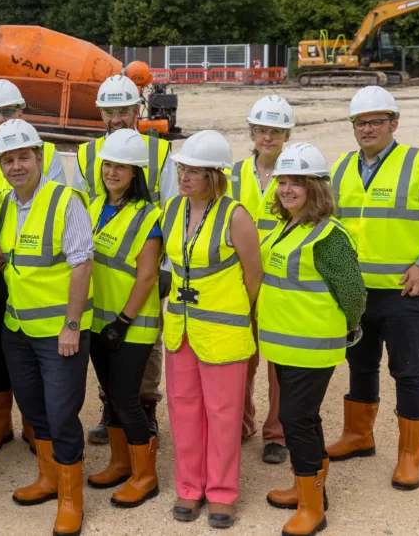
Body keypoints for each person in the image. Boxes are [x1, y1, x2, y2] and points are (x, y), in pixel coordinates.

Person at [326, 86, 419, 490]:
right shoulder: (340, 168)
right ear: (352, 127)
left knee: (408, 372)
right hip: (356, 294)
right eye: (360, 122)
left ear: (393, 123)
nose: (367, 128)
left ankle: (409, 456)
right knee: (360, 365)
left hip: (405, 295)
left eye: (375, 121)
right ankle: (358, 436)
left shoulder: (418, 164)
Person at [0, 119, 94, 536]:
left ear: (39, 157)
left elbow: (81, 264)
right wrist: (4, 259)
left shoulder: (64, 200)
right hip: (17, 329)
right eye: (7, 159)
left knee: (61, 413)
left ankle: (71, 498)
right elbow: (20, 254)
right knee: (33, 410)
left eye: (22, 157)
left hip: (59, 335)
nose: (16, 166)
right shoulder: (4, 204)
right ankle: (50, 478)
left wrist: (71, 326)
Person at [258, 142, 367, 536]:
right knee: (304, 419)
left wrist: (349, 326)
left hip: (311, 346)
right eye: (283, 181)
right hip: (286, 344)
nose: (286, 189)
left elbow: (353, 293)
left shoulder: (328, 236)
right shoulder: (288, 226)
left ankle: (313, 508)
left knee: (295, 420)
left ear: (316, 188)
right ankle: (308, 490)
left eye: (297, 183)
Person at [161, 130, 262, 528]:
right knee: (183, 411)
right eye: (182, 168)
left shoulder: (236, 215)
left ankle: (221, 494)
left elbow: (253, 276)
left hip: (222, 332)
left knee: (223, 415)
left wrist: (236, 312)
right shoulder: (171, 209)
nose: (184, 177)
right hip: (181, 330)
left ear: (215, 176)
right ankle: (189, 488)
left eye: (194, 171)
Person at [73, 72, 176, 445]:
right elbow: (78, 211)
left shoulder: (158, 153)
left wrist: (165, 269)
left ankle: (144, 410)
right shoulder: (87, 155)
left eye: (123, 110)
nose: (115, 119)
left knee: (144, 342)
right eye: (108, 112)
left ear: (137, 110)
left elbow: (171, 209)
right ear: (100, 113)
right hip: (101, 268)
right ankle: (111, 407)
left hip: (145, 263)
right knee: (102, 337)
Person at [0, 79, 66, 457]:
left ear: (21, 111)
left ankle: (32, 421)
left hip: (30, 269)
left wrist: (12, 252)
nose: (2, 119)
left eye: (9, 111)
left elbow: (49, 210)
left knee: (33, 347)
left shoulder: (47, 152)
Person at [85, 129, 163, 510]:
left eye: (122, 167)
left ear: (137, 173)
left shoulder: (149, 215)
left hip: (130, 325)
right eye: (108, 164)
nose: (112, 172)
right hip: (99, 322)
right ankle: (120, 463)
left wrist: (124, 320)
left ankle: (145, 476)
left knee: (127, 400)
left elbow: (147, 275)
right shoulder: (93, 205)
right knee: (113, 398)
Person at [229, 95, 295, 465]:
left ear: (286, 134)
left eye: (276, 131)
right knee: (242, 357)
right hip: (238, 282)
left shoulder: (296, 173)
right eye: (262, 130)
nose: (268, 137)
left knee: (279, 364)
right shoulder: (232, 173)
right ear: (252, 132)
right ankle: (241, 422)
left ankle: (277, 433)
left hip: (282, 283)